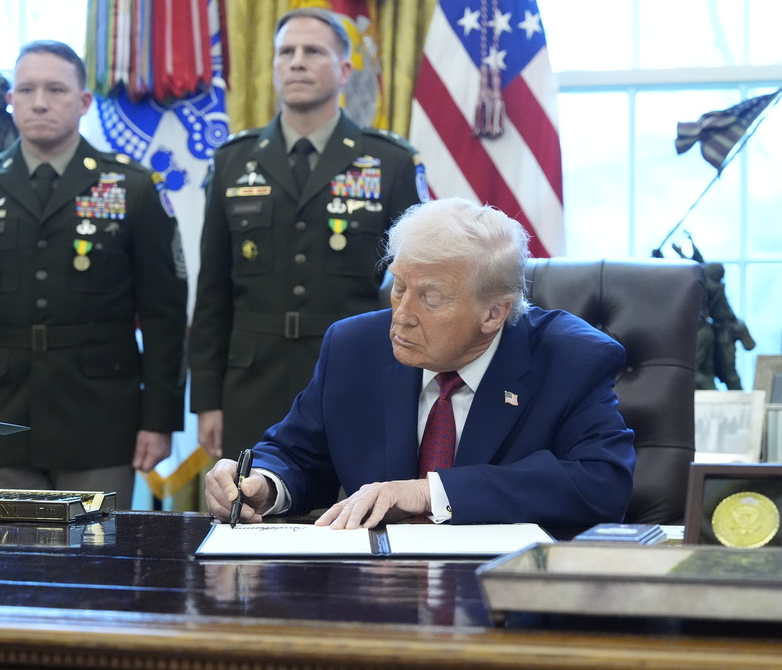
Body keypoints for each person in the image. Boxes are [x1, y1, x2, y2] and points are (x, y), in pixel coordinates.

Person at [204, 197, 636, 529]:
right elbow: (296, 453)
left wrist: (432, 492)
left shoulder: (571, 359)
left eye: (430, 297)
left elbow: (602, 484)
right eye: (398, 287)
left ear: (494, 313)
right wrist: (263, 484)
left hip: (502, 602)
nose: (402, 314)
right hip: (374, 598)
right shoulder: (354, 346)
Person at [0, 40, 188, 509]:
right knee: (1, 569)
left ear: (84, 102)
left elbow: (165, 314)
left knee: (97, 569)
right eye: (26, 89)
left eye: (55, 89)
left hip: (101, 418)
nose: (39, 101)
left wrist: (160, 419)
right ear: (11, 100)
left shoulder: (133, 187)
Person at [189, 7, 427, 461]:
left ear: (343, 71)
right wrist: (206, 401)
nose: (296, 61)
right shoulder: (232, 162)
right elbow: (213, 291)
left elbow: (417, 280)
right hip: (251, 382)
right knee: (252, 512)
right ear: (275, 67)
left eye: (313, 51)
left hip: (358, 375)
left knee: (355, 513)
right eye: (286, 52)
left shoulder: (390, 162)